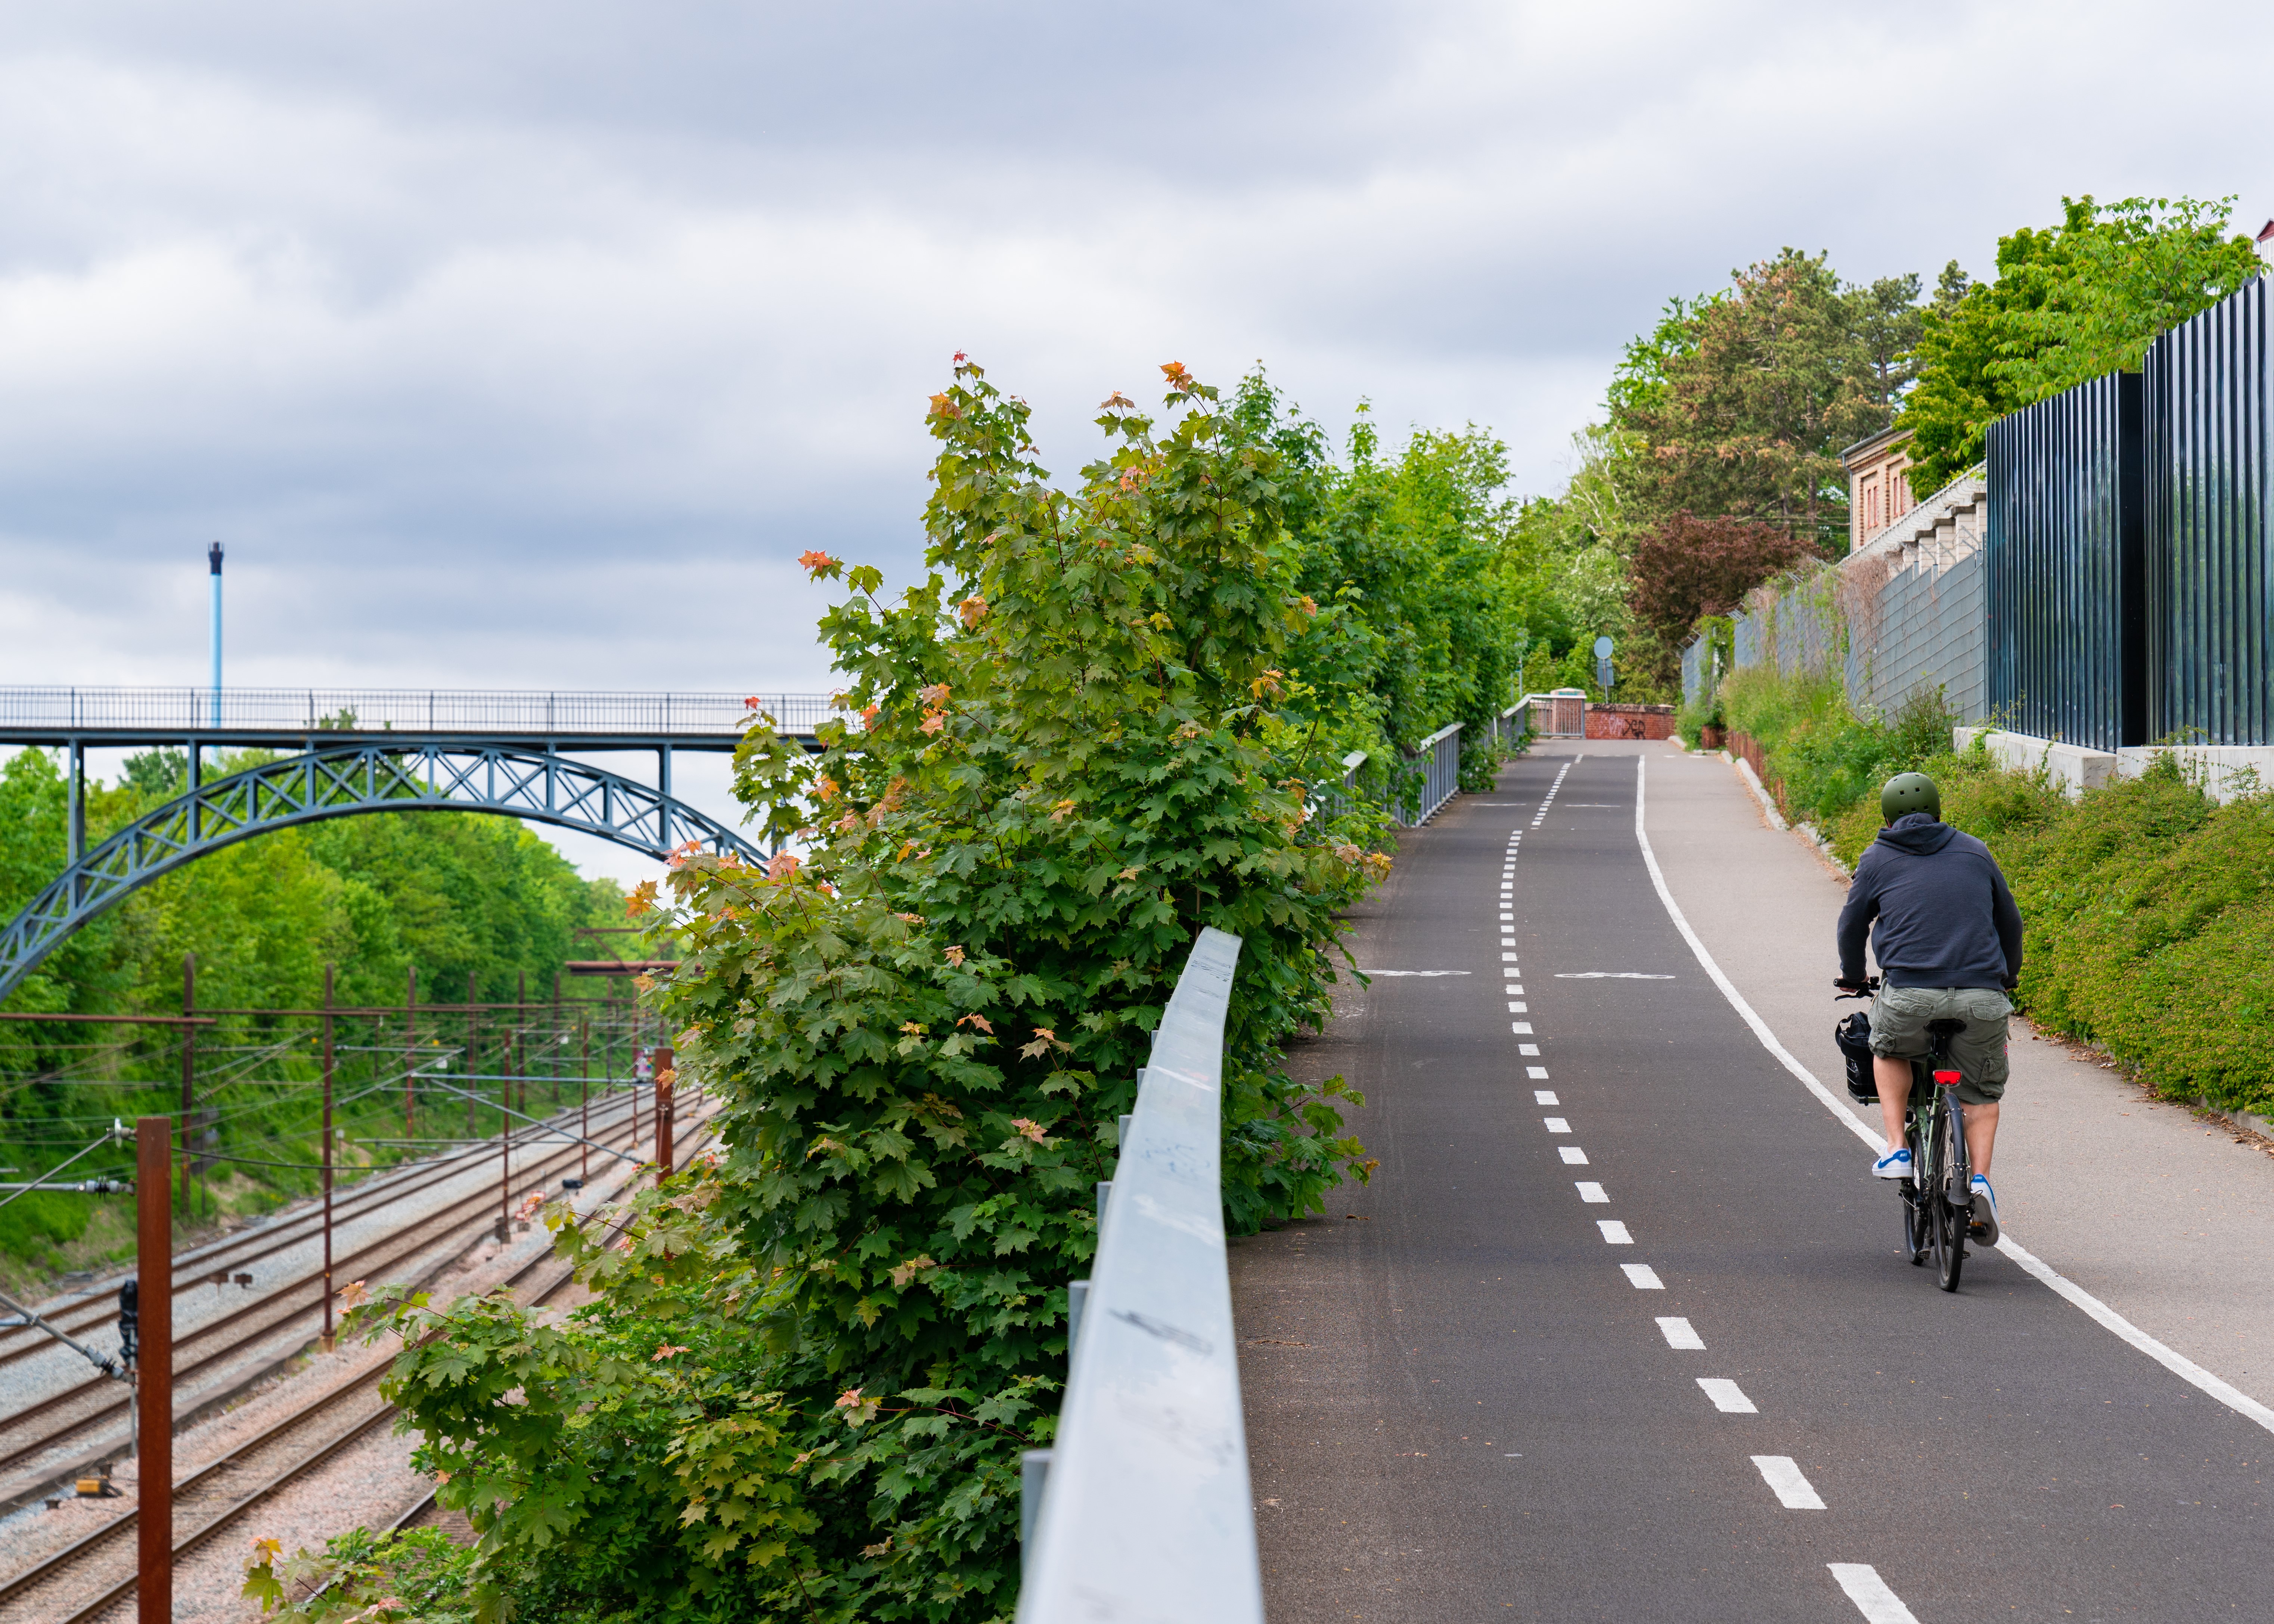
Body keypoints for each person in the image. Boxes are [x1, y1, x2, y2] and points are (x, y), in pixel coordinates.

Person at [1834, 771, 2023, 1242]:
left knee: (1888, 1048)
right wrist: (2007, 976)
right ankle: (1977, 1179)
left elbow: (1851, 924)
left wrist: (1853, 974)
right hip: (1982, 995)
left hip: (1910, 994)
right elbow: (2010, 921)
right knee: (1980, 1096)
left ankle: (1897, 1147)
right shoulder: (1975, 851)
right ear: (1939, 812)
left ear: (1886, 817)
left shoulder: (1876, 858)